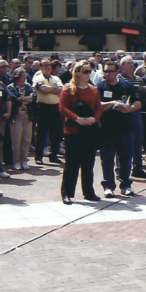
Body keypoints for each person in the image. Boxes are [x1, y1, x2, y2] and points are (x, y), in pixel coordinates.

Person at [59, 61, 103, 204]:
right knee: (71, 163)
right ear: (77, 73)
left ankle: (89, 192)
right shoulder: (68, 88)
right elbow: (63, 107)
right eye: (85, 71)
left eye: (89, 71)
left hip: (89, 129)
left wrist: (94, 119)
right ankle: (67, 192)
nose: (88, 74)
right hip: (73, 130)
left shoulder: (94, 89)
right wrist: (77, 119)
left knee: (88, 163)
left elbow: (98, 107)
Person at [97, 61, 139, 197]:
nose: (107, 74)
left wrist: (130, 109)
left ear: (117, 72)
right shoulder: (99, 87)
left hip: (125, 128)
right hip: (107, 129)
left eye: (110, 71)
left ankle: (126, 184)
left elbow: (138, 102)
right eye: (105, 71)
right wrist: (112, 103)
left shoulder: (127, 86)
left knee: (125, 158)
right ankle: (108, 186)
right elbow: (97, 105)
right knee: (107, 159)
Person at [119, 55, 146, 179]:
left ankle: (138, 167)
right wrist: (135, 90)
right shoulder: (119, 78)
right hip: (122, 112)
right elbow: (122, 90)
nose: (132, 65)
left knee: (138, 139)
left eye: (132, 63)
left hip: (136, 111)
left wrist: (134, 89)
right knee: (122, 141)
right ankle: (120, 169)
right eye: (129, 63)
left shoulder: (138, 78)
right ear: (122, 66)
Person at [33, 58, 64, 164]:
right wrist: (54, 89)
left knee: (57, 132)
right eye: (45, 65)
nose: (47, 67)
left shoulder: (56, 78)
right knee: (41, 133)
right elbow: (42, 90)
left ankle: (53, 155)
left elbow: (61, 90)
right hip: (43, 107)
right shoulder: (38, 78)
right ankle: (39, 156)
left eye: (49, 65)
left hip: (56, 107)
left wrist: (49, 89)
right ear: (41, 67)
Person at [6, 67, 35, 170]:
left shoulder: (28, 86)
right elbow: (14, 100)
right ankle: (16, 160)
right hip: (16, 116)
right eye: (23, 75)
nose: (25, 77)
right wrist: (26, 99)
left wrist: (22, 98)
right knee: (16, 140)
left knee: (26, 139)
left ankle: (24, 160)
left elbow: (33, 97)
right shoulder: (11, 87)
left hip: (27, 115)